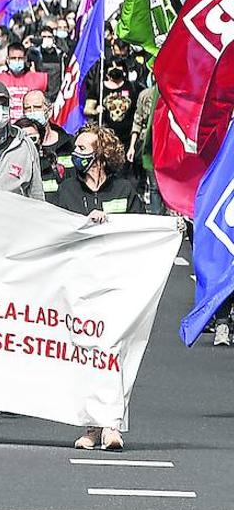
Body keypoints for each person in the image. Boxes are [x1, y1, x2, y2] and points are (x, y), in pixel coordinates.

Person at [53, 125, 142, 452]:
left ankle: (112, 425)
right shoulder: (67, 190)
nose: (76, 153)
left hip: (115, 284)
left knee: (113, 354)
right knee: (85, 354)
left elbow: (139, 232)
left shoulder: (125, 190)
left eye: (82, 147)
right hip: (80, 285)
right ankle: (91, 427)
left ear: (101, 153)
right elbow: (56, 230)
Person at [0, 42, 48, 120]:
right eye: (13, 58)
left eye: (20, 58)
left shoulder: (38, 79)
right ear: (8, 59)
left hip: (30, 125)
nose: (17, 61)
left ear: (25, 59)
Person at [22, 89, 75, 173]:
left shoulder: (69, 143)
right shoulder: (20, 145)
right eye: (27, 108)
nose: (32, 112)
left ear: (49, 111)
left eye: (37, 107)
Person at [16, 117, 66, 204]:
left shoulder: (52, 165)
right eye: (23, 139)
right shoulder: (8, 166)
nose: (28, 144)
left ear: (40, 140)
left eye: (32, 139)